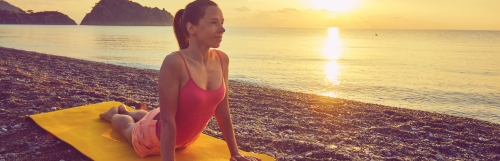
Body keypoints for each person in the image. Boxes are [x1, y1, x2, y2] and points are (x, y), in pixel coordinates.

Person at [98, 0, 262, 161]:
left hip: (187, 139)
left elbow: (222, 108)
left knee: (151, 116)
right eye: (214, 23)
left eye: (222, 22)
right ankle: (115, 114)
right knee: (129, 127)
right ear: (192, 28)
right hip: (155, 139)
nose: (222, 29)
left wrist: (235, 153)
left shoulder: (222, 59)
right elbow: (168, 122)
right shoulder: (174, 62)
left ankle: (128, 111)